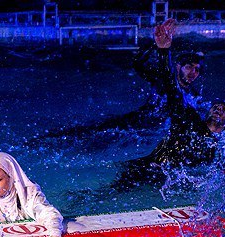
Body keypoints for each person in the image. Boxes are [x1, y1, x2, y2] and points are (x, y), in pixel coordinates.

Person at [111, 17, 225, 237]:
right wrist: (163, 52)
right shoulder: (188, 120)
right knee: (109, 195)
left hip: (163, 179)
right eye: (217, 106)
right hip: (146, 169)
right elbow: (171, 89)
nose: (219, 108)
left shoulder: (220, 148)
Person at [31, 18, 204, 149]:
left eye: (197, 69)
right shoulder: (161, 81)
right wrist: (156, 45)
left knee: (92, 145)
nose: (193, 73)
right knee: (83, 134)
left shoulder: (194, 96)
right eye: (189, 67)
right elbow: (138, 64)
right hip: (133, 124)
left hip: (146, 133)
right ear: (178, 66)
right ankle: (40, 142)